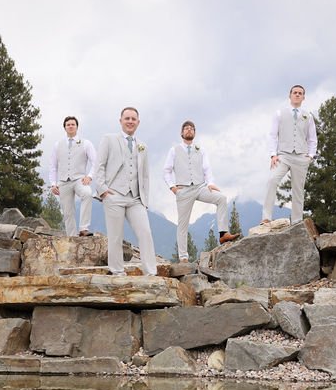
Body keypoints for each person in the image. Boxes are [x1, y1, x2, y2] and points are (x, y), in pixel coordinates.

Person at [93, 107, 158, 276]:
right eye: (127, 118)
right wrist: (103, 191)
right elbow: (99, 166)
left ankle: (151, 273)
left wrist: (145, 200)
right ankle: (117, 272)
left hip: (135, 198)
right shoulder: (109, 139)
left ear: (138, 122)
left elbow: (145, 176)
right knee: (115, 236)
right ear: (120, 120)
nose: (130, 121)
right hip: (113, 195)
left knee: (145, 233)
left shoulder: (143, 146)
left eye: (133, 119)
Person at [162, 121, 238, 262]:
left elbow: (207, 169)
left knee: (221, 198)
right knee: (183, 224)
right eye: (186, 128)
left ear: (195, 133)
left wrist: (210, 183)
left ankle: (223, 233)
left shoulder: (201, 149)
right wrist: (172, 187)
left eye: (192, 128)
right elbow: (166, 171)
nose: (189, 130)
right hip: (183, 190)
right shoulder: (174, 150)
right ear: (182, 133)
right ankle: (183, 257)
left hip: (200, 187)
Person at [262, 85, 317, 225]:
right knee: (272, 180)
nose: (297, 95)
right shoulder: (280, 113)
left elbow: (312, 138)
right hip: (283, 155)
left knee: (298, 190)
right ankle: (266, 217)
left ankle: (297, 221)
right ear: (290, 95)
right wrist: (273, 154)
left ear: (303, 97)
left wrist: (310, 156)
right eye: (295, 92)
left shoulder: (308, 116)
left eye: (300, 93)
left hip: (301, 157)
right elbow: (273, 135)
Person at [48, 116, 96, 237]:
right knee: (67, 212)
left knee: (87, 193)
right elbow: (53, 166)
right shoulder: (57, 145)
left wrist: (89, 176)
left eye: (73, 124)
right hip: (63, 182)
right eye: (68, 124)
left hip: (79, 179)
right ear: (65, 127)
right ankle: (72, 237)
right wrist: (53, 184)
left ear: (77, 127)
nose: (70, 126)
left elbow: (96, 162)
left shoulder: (86, 143)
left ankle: (84, 228)